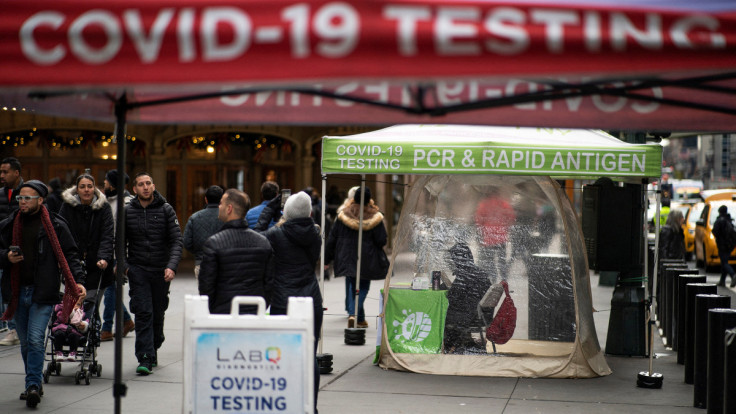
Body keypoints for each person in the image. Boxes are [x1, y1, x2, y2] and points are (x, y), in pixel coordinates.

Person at [0, 179, 85, 408]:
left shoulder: (56, 225)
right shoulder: (9, 224)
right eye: (20, 198)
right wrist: (6, 257)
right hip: (16, 292)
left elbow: (70, 254)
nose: (23, 202)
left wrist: (78, 281)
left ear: (41, 199)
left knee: (36, 339)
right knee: (26, 344)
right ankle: (34, 381)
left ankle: (32, 386)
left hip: (43, 292)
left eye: (28, 198)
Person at [257, 191, 322, 412]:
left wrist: (268, 210)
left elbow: (256, 237)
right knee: (309, 352)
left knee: (280, 352)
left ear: (287, 211)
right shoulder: (315, 234)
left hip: (283, 298)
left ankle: (284, 402)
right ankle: (310, 406)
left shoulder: (276, 234)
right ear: (310, 212)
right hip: (311, 297)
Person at [123, 173, 183, 375]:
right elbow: (120, 243)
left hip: (160, 270)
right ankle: (145, 357)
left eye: (148, 183)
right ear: (135, 190)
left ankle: (155, 343)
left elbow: (176, 241)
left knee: (157, 313)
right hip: (138, 270)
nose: (145, 187)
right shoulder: (127, 211)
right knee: (143, 312)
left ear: (154, 186)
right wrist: (125, 267)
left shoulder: (166, 210)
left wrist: (171, 266)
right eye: (141, 184)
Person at [198, 189, 274, 314]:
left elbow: (206, 285)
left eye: (221, 203)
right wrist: (260, 306)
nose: (219, 206)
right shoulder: (263, 243)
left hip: (223, 313)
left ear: (229, 209)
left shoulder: (214, 243)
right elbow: (269, 282)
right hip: (254, 311)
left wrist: (213, 309)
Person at [325, 186, 388, 329]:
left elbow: (332, 238)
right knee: (364, 286)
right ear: (368, 200)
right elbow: (381, 240)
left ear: (354, 198)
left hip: (347, 256)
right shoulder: (375, 217)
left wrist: (326, 259)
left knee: (353, 285)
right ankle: (355, 314)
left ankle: (357, 317)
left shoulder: (343, 215)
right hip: (368, 257)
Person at [58, 173, 115, 303]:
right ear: (77, 189)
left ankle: (91, 322)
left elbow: (107, 234)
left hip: (97, 264)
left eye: (90, 186)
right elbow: (61, 232)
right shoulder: (67, 206)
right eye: (82, 186)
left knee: (90, 304)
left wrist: (104, 257)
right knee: (73, 305)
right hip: (73, 262)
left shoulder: (104, 207)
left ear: (94, 188)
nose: (86, 190)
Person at [100, 169, 134, 341]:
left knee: (110, 291)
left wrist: (122, 259)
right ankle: (126, 320)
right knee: (111, 290)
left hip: (118, 254)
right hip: (108, 252)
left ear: (113, 184)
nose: (104, 184)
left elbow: (126, 234)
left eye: (106, 181)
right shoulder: (107, 200)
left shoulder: (126, 204)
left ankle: (106, 328)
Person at [443, 242, 493, 354]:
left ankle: (448, 344)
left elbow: (453, 297)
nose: (453, 262)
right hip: (482, 315)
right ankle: (461, 341)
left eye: (454, 258)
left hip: (469, 316)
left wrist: (446, 289)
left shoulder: (465, 274)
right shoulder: (477, 271)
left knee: (439, 313)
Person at [0, 157, 24, 346]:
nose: (2, 175)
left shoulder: (27, 193)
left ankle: (16, 327)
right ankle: (12, 326)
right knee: (5, 290)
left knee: (16, 288)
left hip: (20, 249)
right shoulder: (0, 194)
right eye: (1, 172)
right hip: (2, 249)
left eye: (5, 172)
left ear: (16, 173)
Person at [474, 187, 516, 284]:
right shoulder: (504, 204)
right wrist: (505, 227)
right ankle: (504, 280)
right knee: (502, 260)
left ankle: (493, 279)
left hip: (488, 237)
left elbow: (478, 219)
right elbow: (511, 217)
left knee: (491, 260)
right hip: (501, 236)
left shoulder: (484, 204)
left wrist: (480, 232)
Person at [183, 185, 224, 279]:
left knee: (204, 293)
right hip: (223, 263)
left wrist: (198, 252)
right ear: (222, 200)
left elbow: (186, 242)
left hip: (201, 262)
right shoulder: (227, 216)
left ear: (206, 199)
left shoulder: (194, 217)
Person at [51, 284, 89, 361]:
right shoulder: (61, 307)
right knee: (58, 334)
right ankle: (58, 352)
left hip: (74, 330)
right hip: (61, 327)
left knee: (74, 336)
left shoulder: (81, 312)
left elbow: (86, 320)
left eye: (78, 303)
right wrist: (70, 313)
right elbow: (59, 317)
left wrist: (84, 325)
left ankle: (73, 352)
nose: (76, 305)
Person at [712, 205, 736, 287]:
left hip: (722, 245)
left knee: (724, 263)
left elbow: (714, 231)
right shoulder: (729, 220)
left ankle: (733, 275)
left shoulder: (719, 220)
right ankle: (722, 281)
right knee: (723, 262)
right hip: (730, 245)